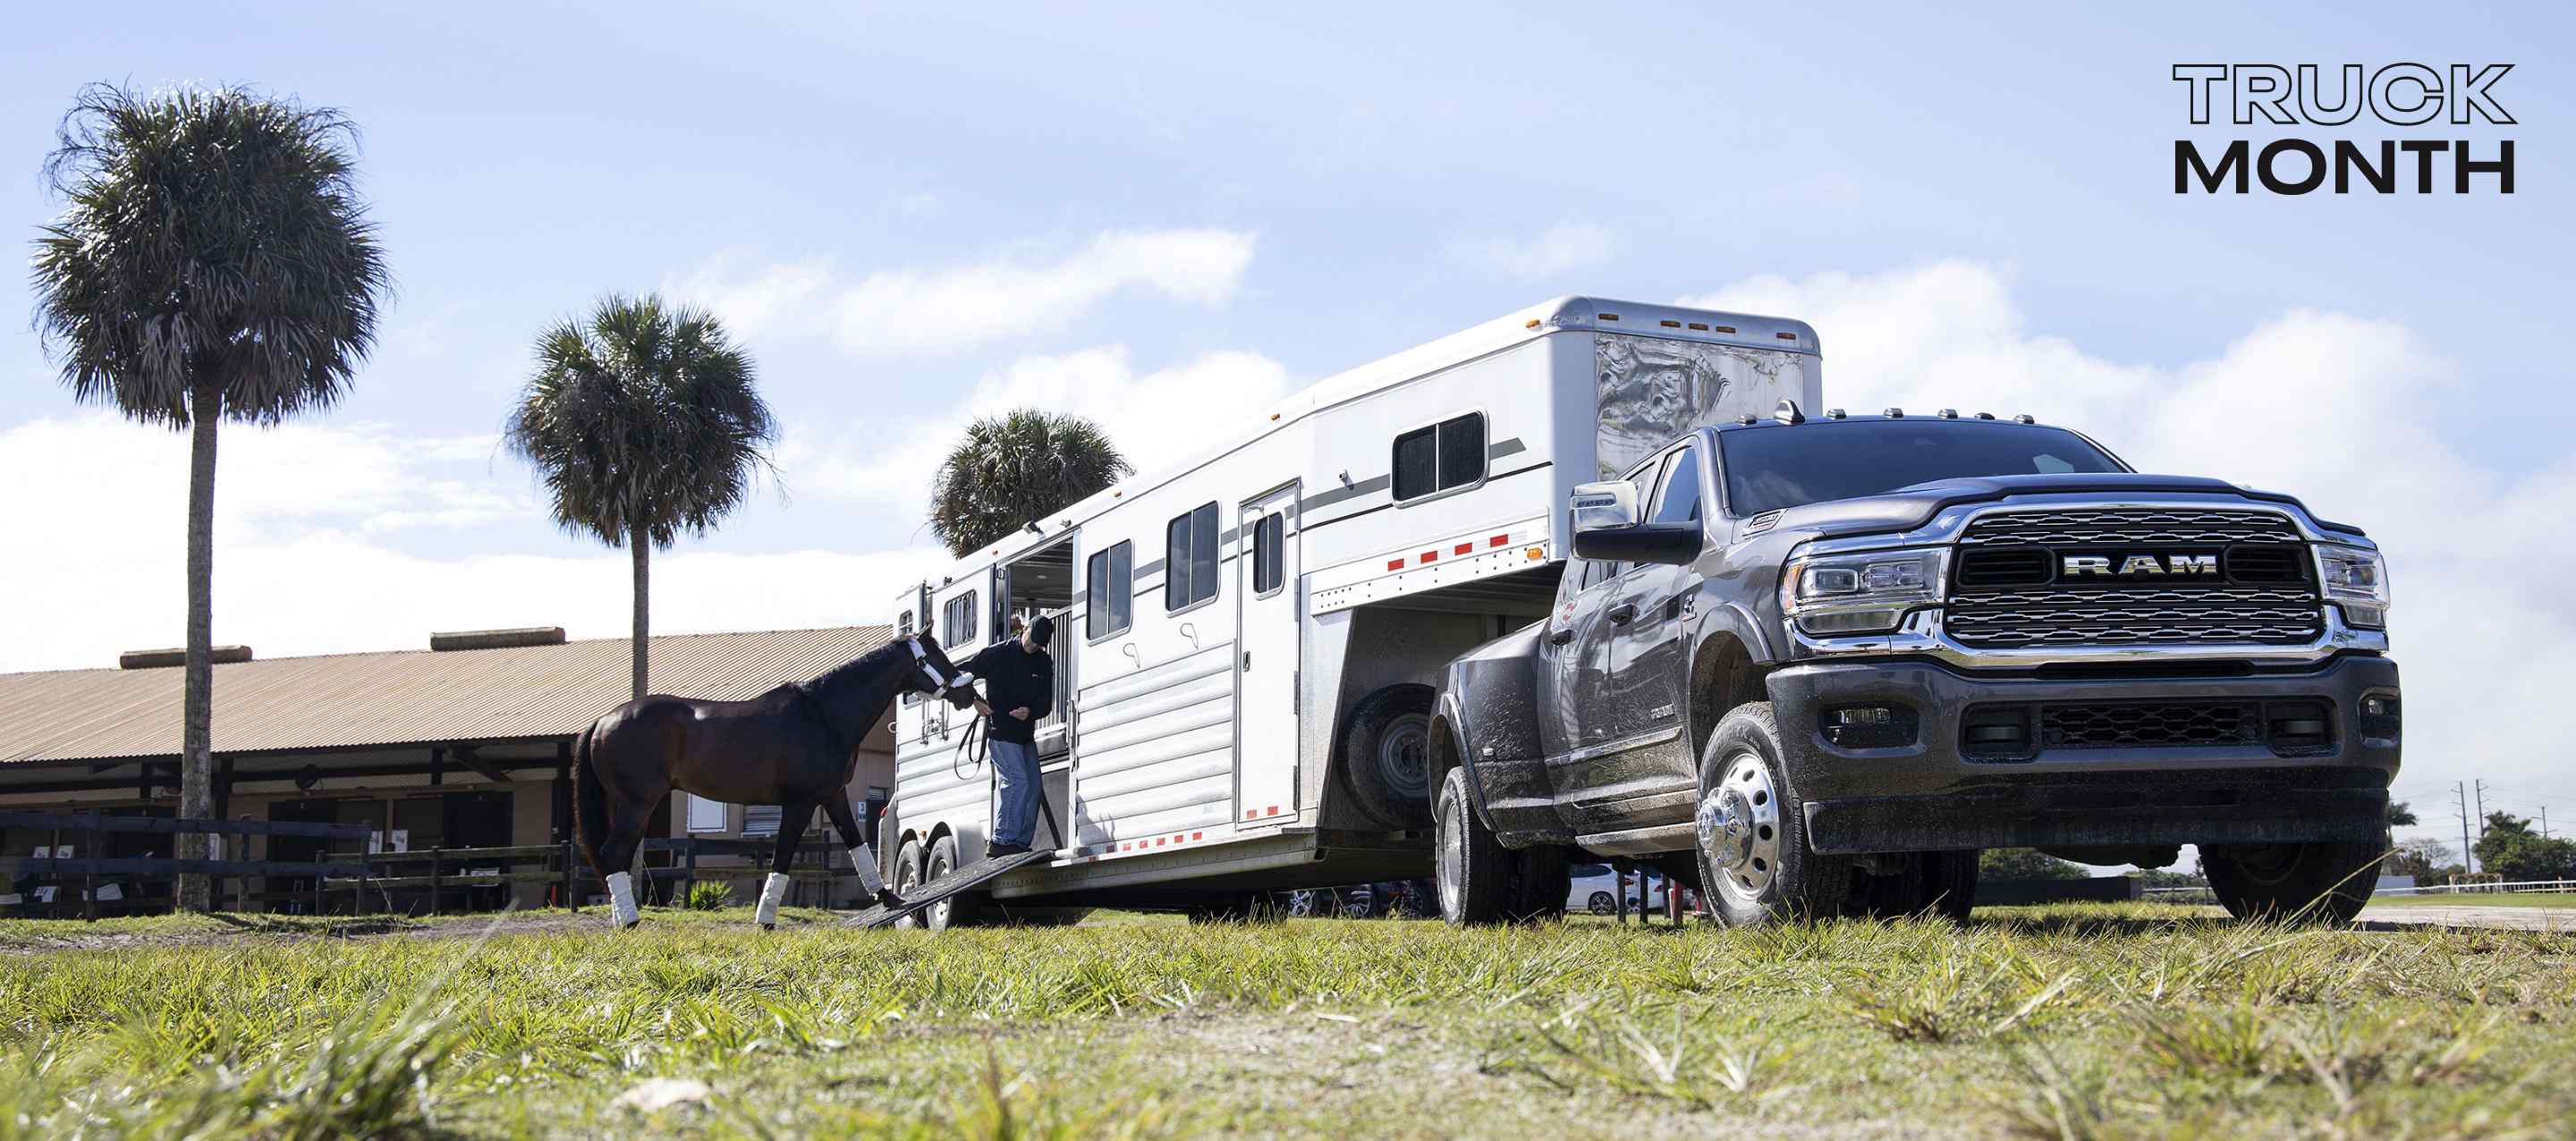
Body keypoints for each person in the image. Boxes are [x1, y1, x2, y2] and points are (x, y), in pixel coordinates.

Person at [968, 613, 1055, 858]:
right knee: (1018, 782)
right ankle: (1001, 839)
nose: (1033, 646)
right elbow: (960, 674)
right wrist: (974, 699)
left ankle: (1019, 842)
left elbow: (1046, 704)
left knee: (1034, 786)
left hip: (1025, 734)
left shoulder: (1043, 662)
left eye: (1039, 644)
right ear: (1024, 629)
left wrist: (1030, 712)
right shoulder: (997, 654)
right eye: (1031, 640)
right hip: (1001, 732)